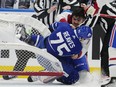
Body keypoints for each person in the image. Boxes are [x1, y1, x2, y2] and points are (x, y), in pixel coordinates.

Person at [23, 22, 92, 84]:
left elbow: (51, 27)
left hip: (40, 50)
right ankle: (43, 75)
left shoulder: (65, 26)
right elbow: (75, 56)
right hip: (52, 62)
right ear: (82, 38)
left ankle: (29, 37)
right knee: (73, 77)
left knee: (48, 38)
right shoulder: (78, 48)